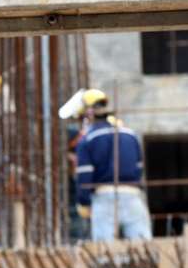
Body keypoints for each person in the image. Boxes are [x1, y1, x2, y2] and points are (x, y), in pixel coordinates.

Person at [59, 88, 151, 241]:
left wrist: (84, 202)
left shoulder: (88, 140)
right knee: (143, 248)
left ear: (88, 114)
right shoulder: (130, 135)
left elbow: (85, 176)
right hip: (133, 196)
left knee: (104, 252)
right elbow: (139, 169)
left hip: (103, 198)